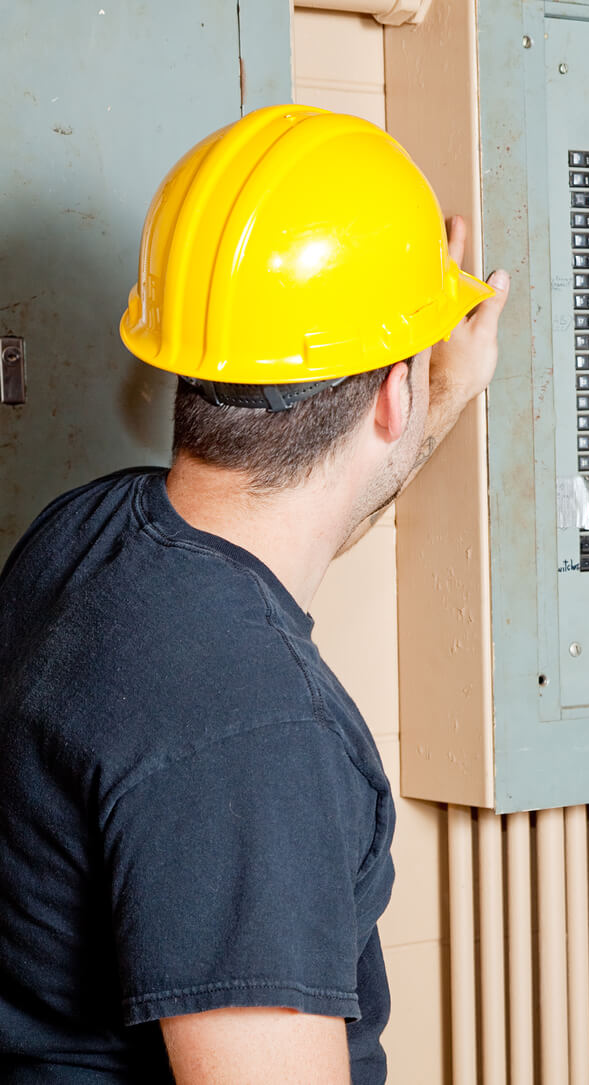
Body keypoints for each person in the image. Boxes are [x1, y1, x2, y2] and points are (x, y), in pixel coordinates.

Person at [0, 104, 507, 1082]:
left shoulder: (92, 534)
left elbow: (284, 542)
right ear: (385, 396)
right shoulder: (252, 737)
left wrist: (441, 393)